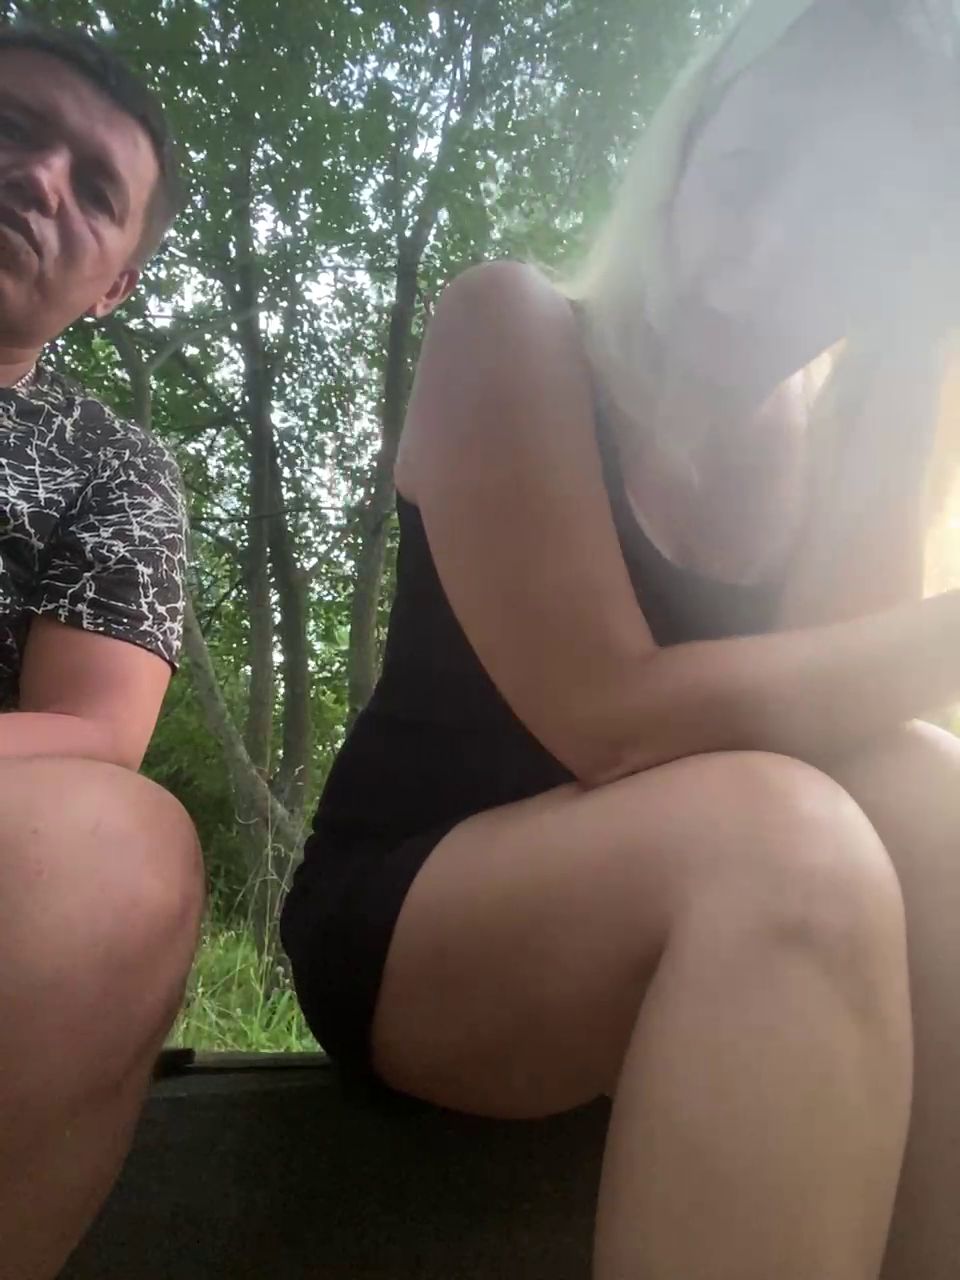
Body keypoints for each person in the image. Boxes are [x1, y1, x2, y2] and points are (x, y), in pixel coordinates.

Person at [283, 0, 960, 1275]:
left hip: (738, 896)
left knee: (931, 797)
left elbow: (855, 733)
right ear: (689, 142)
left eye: (846, 234)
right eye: (748, 175)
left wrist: (904, 370)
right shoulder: (514, 325)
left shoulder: (847, 435)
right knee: (788, 847)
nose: (752, 265)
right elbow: (611, 717)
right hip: (425, 917)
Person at [0, 25, 202, 1280]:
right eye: (16, 128)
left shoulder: (112, 463)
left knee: (128, 845)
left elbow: (94, 727)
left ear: (114, 286)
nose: (39, 181)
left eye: (96, 190)